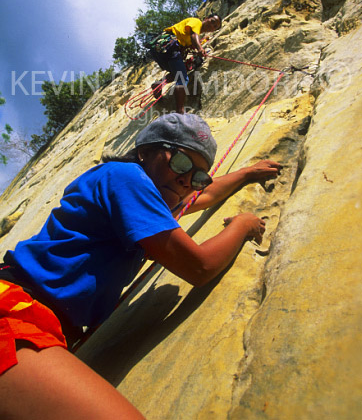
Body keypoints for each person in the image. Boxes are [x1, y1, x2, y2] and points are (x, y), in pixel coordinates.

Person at [0, 113, 281, 420]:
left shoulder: (152, 194)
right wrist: (242, 224)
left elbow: (207, 195)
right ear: (145, 151)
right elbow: (199, 268)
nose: (187, 180)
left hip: (43, 321)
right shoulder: (127, 178)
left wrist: (246, 173)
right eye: (182, 163)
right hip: (15, 309)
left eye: (198, 175)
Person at [150, 14, 222, 113]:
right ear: (206, 19)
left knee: (178, 72)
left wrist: (196, 51)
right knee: (183, 78)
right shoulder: (196, 22)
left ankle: (158, 85)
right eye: (212, 21)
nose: (212, 26)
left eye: (215, 27)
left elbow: (190, 42)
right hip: (169, 46)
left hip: (160, 50)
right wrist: (200, 48)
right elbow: (194, 36)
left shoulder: (193, 34)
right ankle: (180, 111)